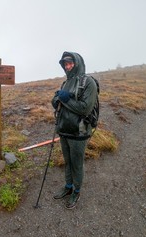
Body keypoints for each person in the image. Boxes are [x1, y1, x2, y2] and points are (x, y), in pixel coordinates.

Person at [51, 51, 98, 209]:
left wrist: (66, 99)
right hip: (64, 130)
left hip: (79, 132)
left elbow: (85, 109)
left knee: (77, 164)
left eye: (70, 63)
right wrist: (56, 99)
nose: (68, 66)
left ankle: (77, 191)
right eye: (65, 64)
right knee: (67, 162)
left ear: (77, 63)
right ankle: (68, 187)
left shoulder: (88, 82)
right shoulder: (66, 82)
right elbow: (59, 104)